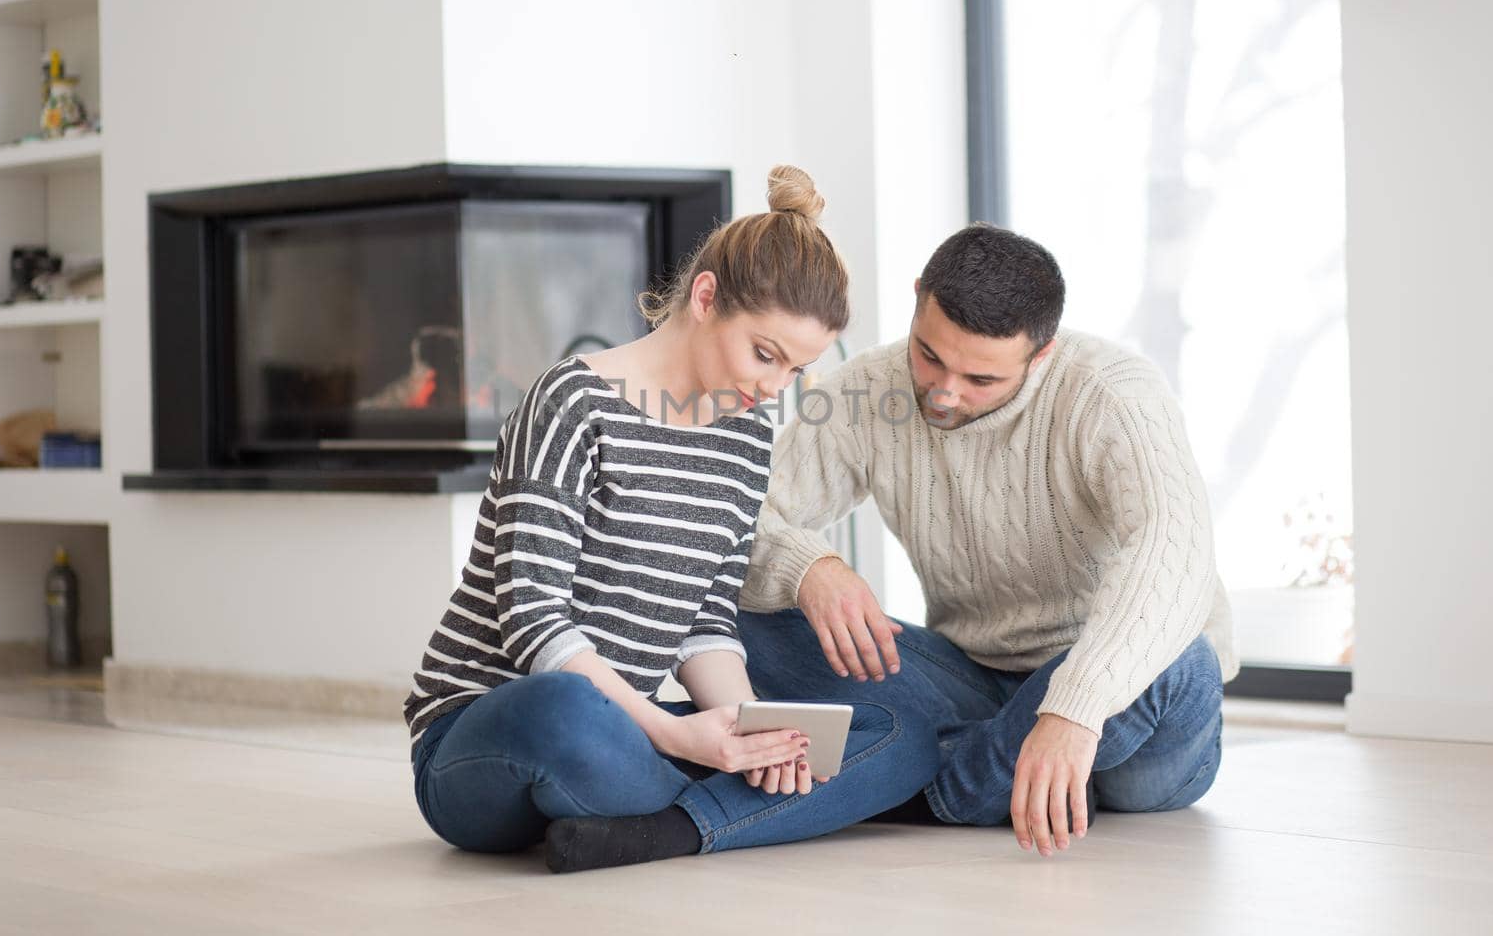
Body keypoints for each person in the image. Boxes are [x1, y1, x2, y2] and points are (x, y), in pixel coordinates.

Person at [404, 166, 938, 873]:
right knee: (563, 708)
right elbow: (532, 618)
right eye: (765, 354)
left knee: (903, 734)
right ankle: (724, 812)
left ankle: (661, 826)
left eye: (794, 371)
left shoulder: (747, 438)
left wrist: (754, 731)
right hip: (495, 730)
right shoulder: (573, 401)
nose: (772, 387)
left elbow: (705, 618)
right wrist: (684, 740)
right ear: (706, 296)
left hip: (635, 730)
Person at [738, 223, 1238, 858]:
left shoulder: (1113, 393)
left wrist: (1074, 707)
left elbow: (1175, 552)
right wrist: (808, 566)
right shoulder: (865, 391)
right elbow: (739, 520)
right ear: (918, 298)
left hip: (1122, 724)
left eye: (981, 380)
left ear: (1043, 353)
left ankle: (922, 786)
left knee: (1183, 659)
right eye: (930, 356)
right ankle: (959, 768)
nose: (945, 393)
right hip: (973, 682)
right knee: (745, 599)